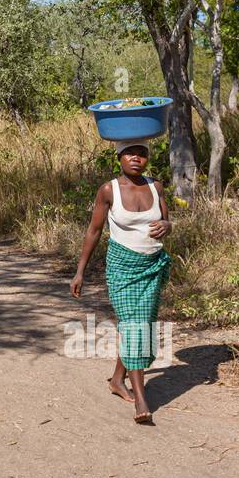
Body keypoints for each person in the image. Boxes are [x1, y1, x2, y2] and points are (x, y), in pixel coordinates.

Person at [69, 139, 172, 424]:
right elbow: (94, 230)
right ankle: (141, 399)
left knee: (140, 327)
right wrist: (80, 271)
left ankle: (117, 380)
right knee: (135, 327)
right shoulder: (108, 190)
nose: (136, 159)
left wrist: (167, 225)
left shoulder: (156, 187)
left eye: (142, 154)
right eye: (130, 154)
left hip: (152, 266)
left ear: (148, 159)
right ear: (119, 159)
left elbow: (167, 221)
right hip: (122, 269)